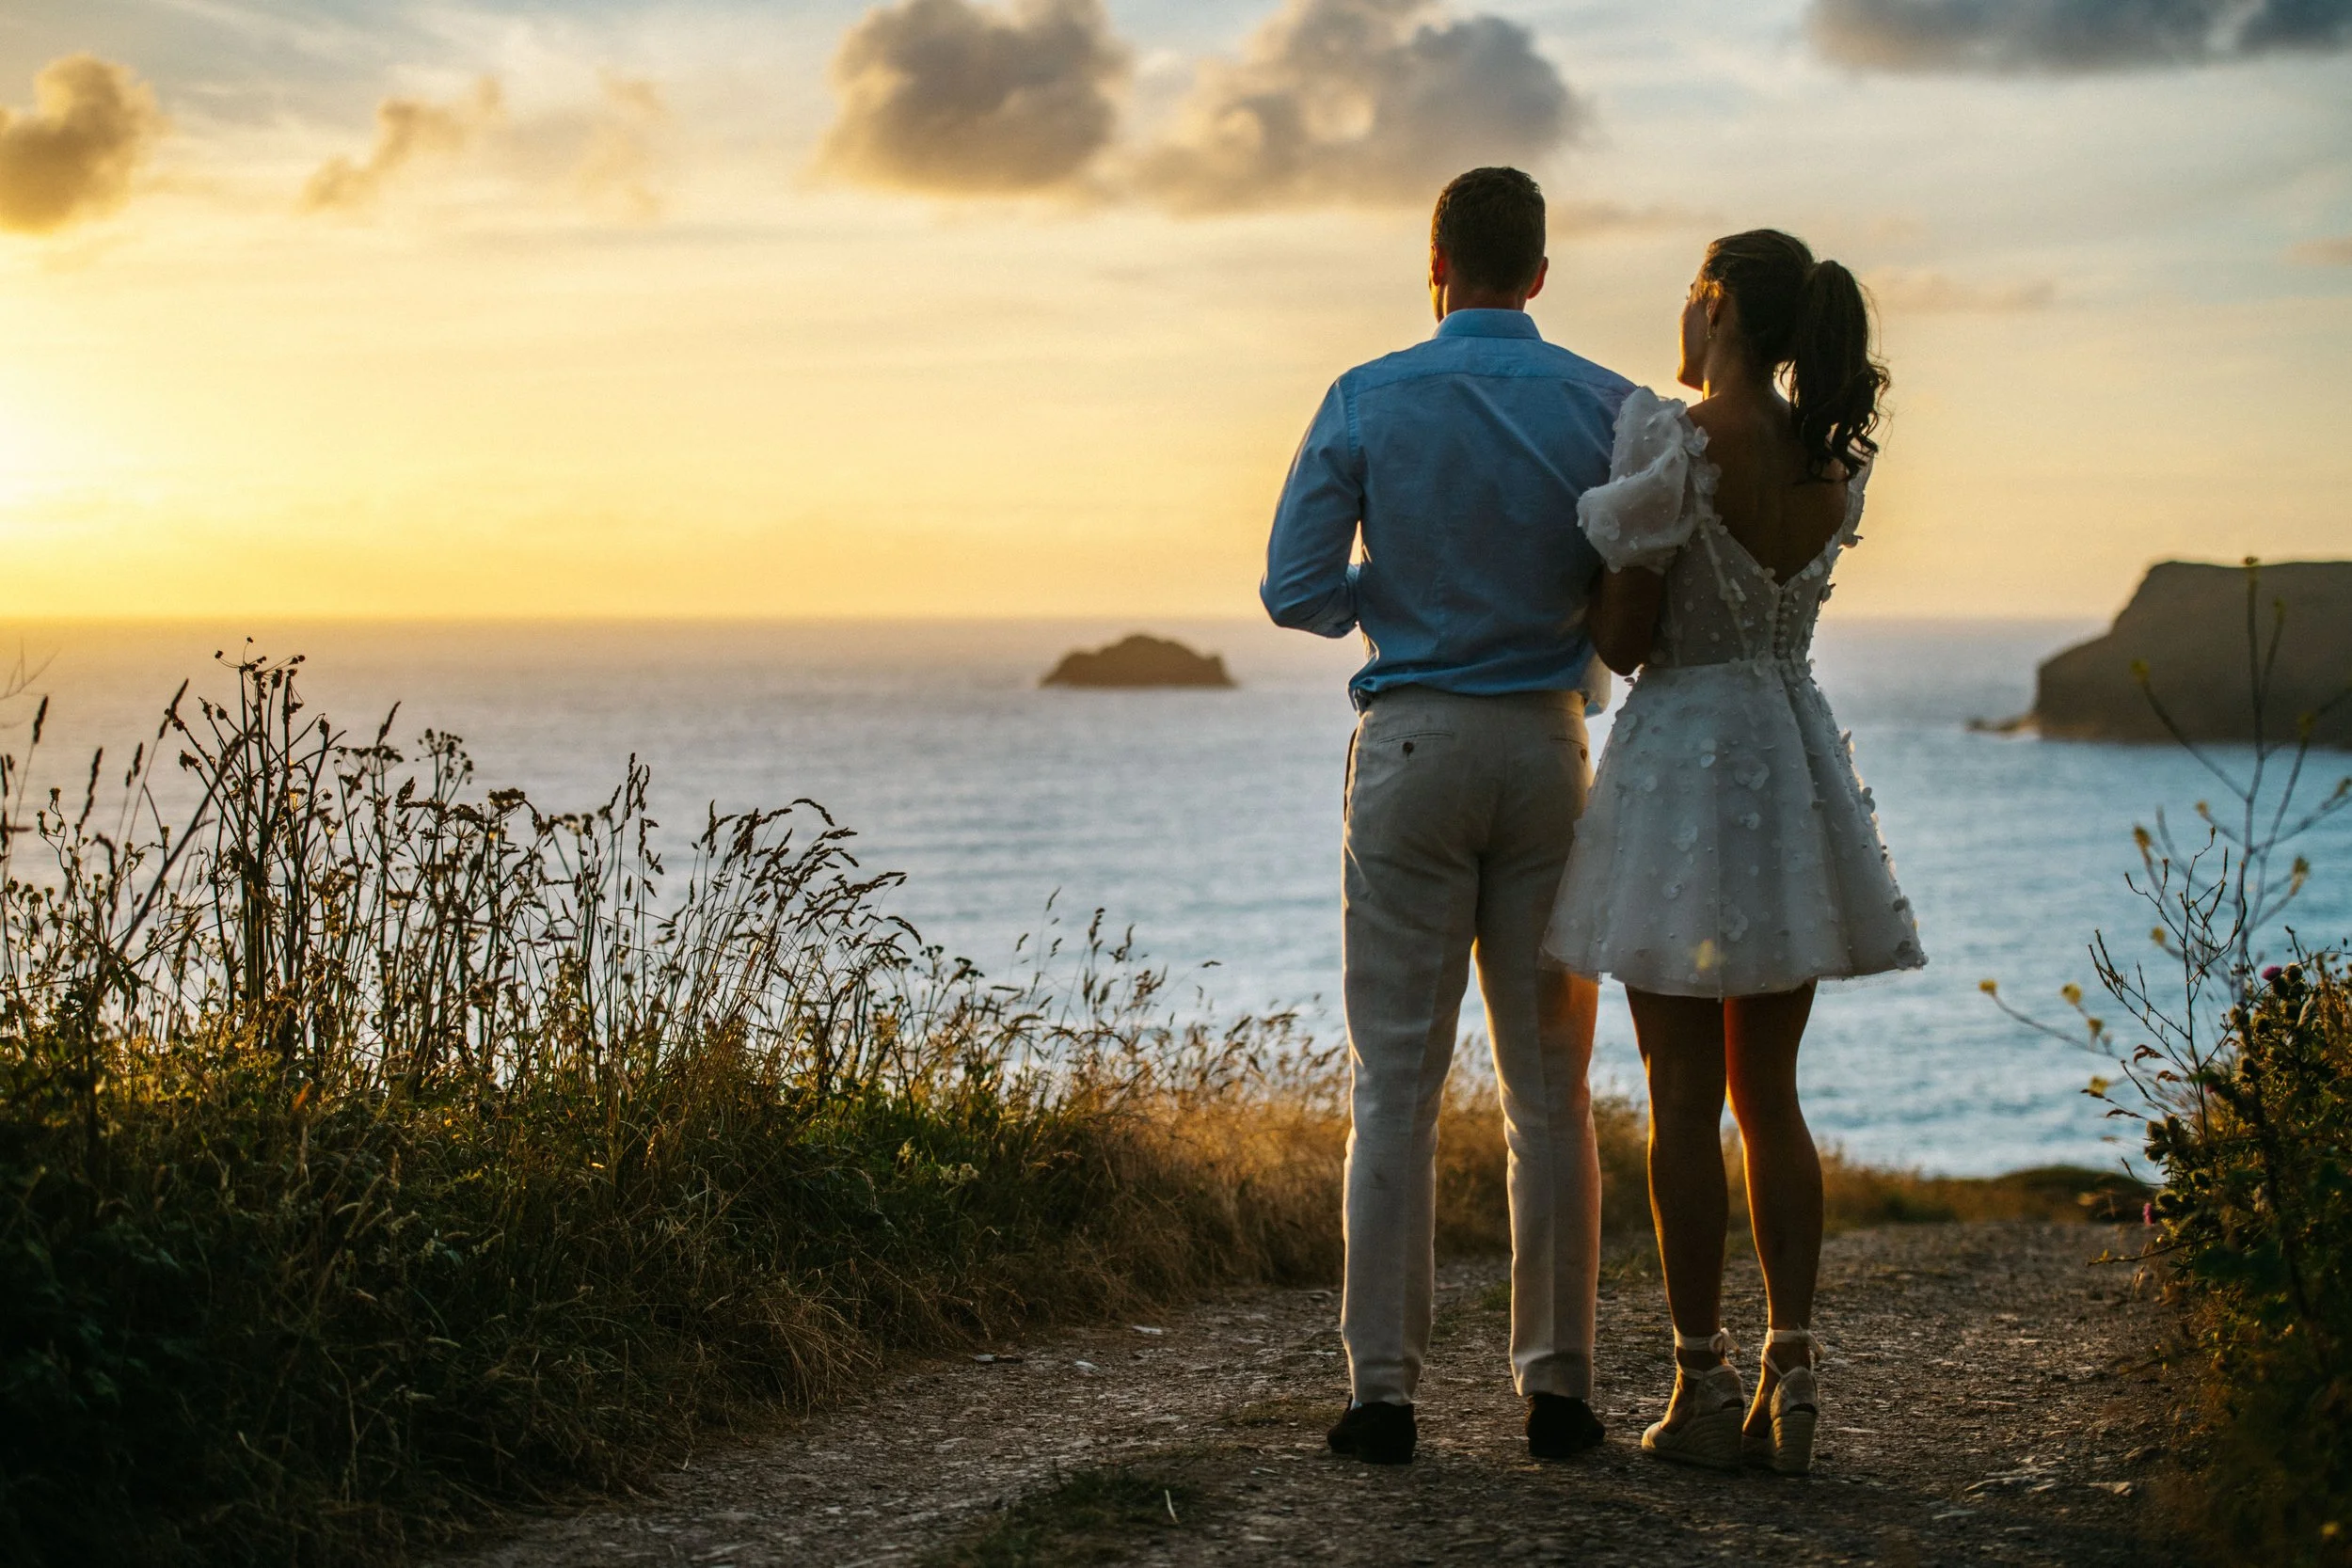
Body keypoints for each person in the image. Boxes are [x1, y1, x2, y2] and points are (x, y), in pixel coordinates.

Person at [1262, 166, 1631, 1466]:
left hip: (1414, 741)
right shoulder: (1609, 403)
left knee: (1396, 1083)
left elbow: (1291, 587)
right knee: (1552, 1090)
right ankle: (1561, 1390)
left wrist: (1390, 586)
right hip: (1547, 750)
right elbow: (1643, 580)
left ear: (1435, 264)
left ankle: (1384, 1394)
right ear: (1539, 271)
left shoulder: (1368, 394)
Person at [1545, 230, 1927, 1476]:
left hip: (1681, 767)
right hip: (1789, 749)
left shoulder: (1672, 441)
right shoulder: (1830, 463)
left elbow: (1634, 636)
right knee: (1774, 1097)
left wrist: (1597, 577)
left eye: (1689, 296)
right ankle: (1796, 1369)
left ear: (1713, 307)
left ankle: (1700, 1383)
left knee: (1678, 1097)